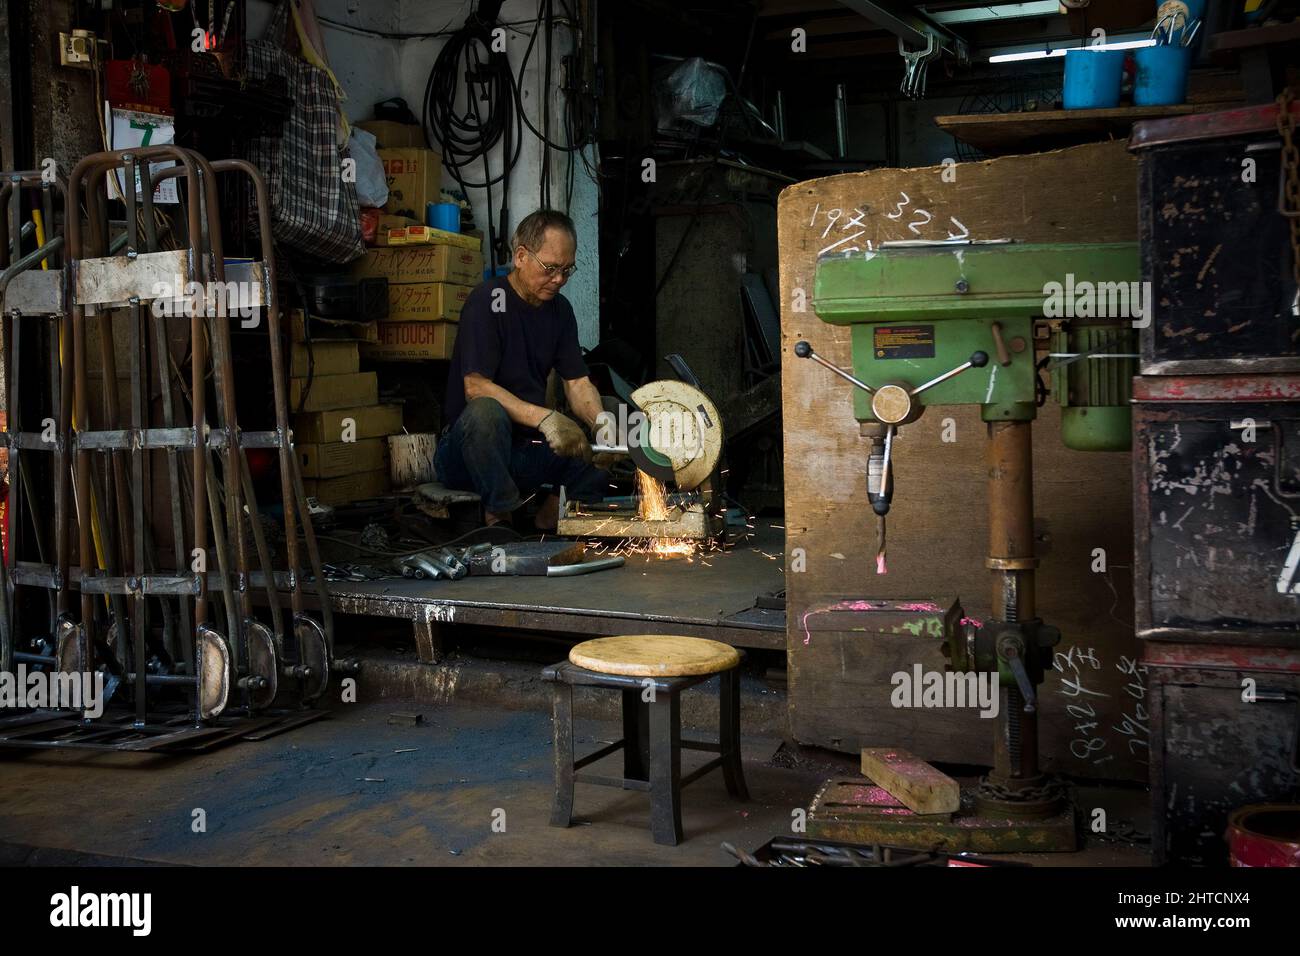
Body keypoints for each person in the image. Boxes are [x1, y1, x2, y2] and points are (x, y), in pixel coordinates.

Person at [434, 209, 608, 529]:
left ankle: (548, 519)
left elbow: (577, 382)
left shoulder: (560, 311)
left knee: (603, 426)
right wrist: (545, 417)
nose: (559, 279)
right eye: (550, 268)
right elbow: (476, 387)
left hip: (526, 452)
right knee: (486, 411)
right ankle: (499, 518)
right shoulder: (488, 300)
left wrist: (603, 425)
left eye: (567, 269)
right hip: (469, 455)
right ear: (521, 256)